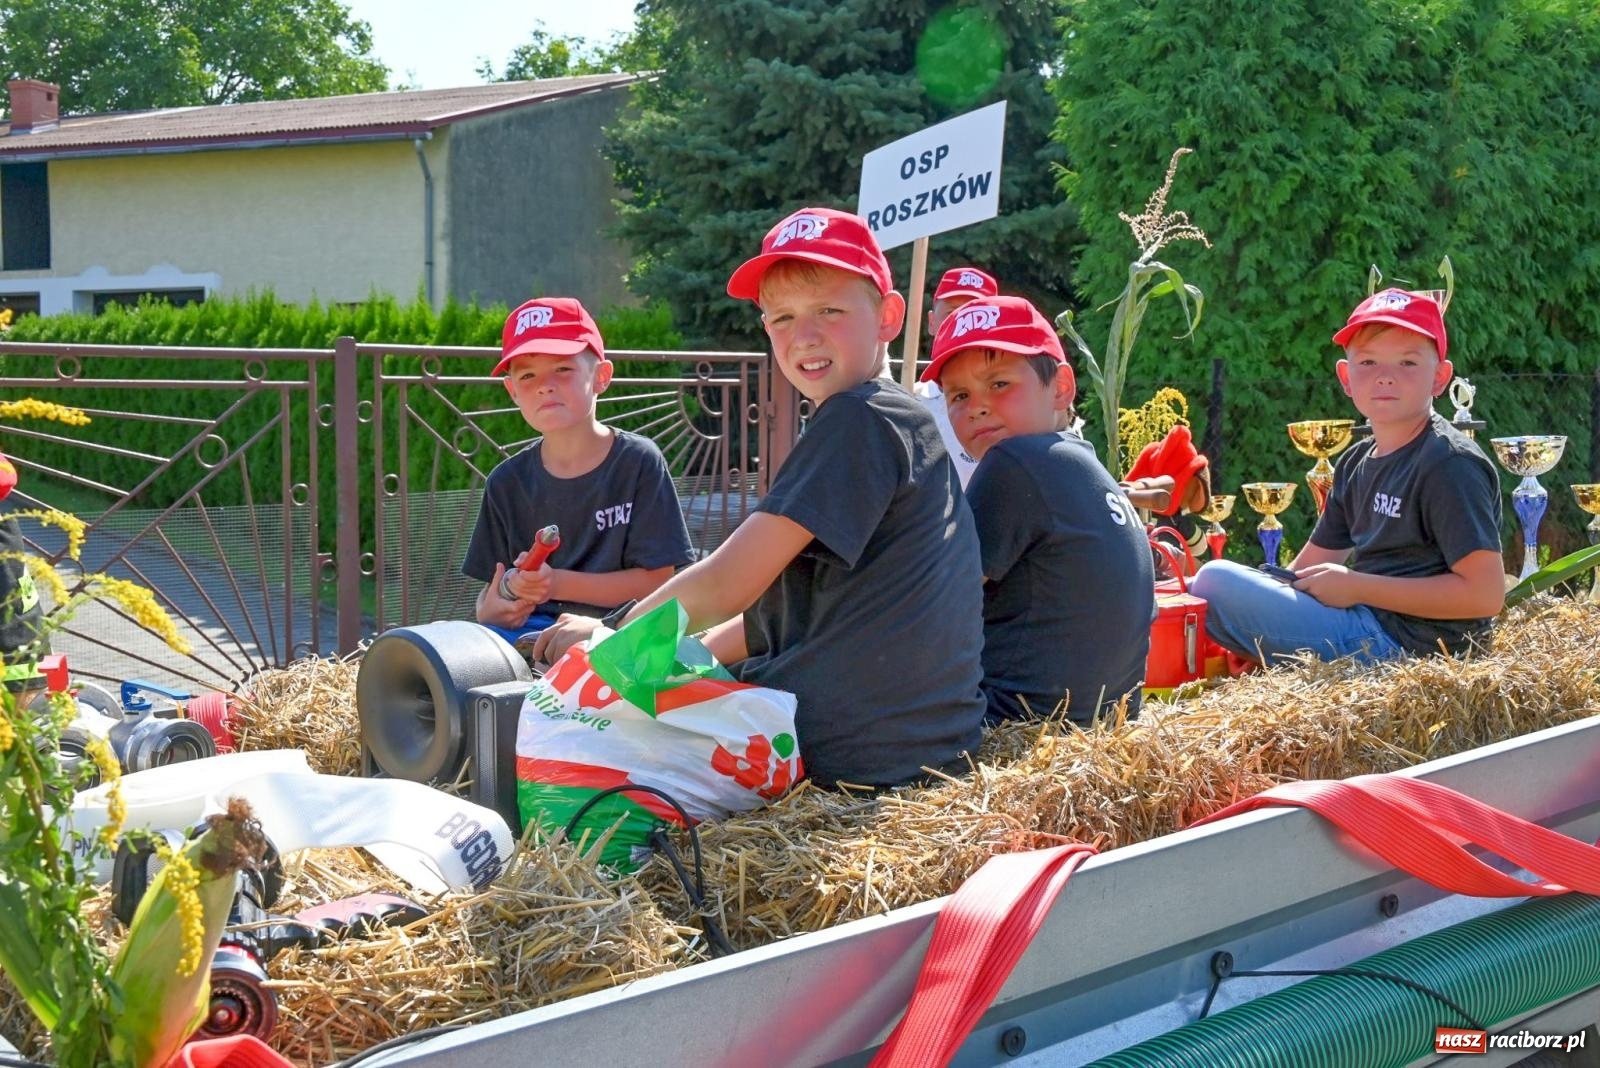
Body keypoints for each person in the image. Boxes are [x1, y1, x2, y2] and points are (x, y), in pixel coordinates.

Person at [536, 206, 986, 788]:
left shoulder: (859, 419)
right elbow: (772, 615)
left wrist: (609, 636)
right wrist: (679, 651)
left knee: (581, 767)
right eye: (782, 317)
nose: (805, 336)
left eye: (829, 310)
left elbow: (728, 583)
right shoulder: (896, 421)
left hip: (846, 754)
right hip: (918, 744)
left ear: (889, 316)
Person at [1190, 288, 1504, 664]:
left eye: (1407, 363)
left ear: (1440, 377)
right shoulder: (1355, 460)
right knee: (1189, 590)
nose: (1385, 377)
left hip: (1412, 648)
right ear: (1346, 377)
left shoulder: (1449, 464)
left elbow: (1485, 595)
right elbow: (1303, 570)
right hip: (1361, 621)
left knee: (1214, 581)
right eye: (1368, 363)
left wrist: (1357, 587)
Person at [924, 295, 1155, 723]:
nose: (977, 406)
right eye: (958, 395)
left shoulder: (1014, 462)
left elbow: (933, 600)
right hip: (1099, 728)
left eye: (999, 384)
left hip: (1016, 725)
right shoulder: (1080, 462)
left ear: (1061, 388)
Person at [461, 297, 694, 647]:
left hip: (618, 634)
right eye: (527, 375)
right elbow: (489, 600)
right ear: (512, 391)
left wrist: (554, 583)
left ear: (601, 376)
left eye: (563, 369)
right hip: (528, 637)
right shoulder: (506, 483)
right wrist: (501, 602)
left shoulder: (638, 462)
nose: (544, 385)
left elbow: (658, 580)